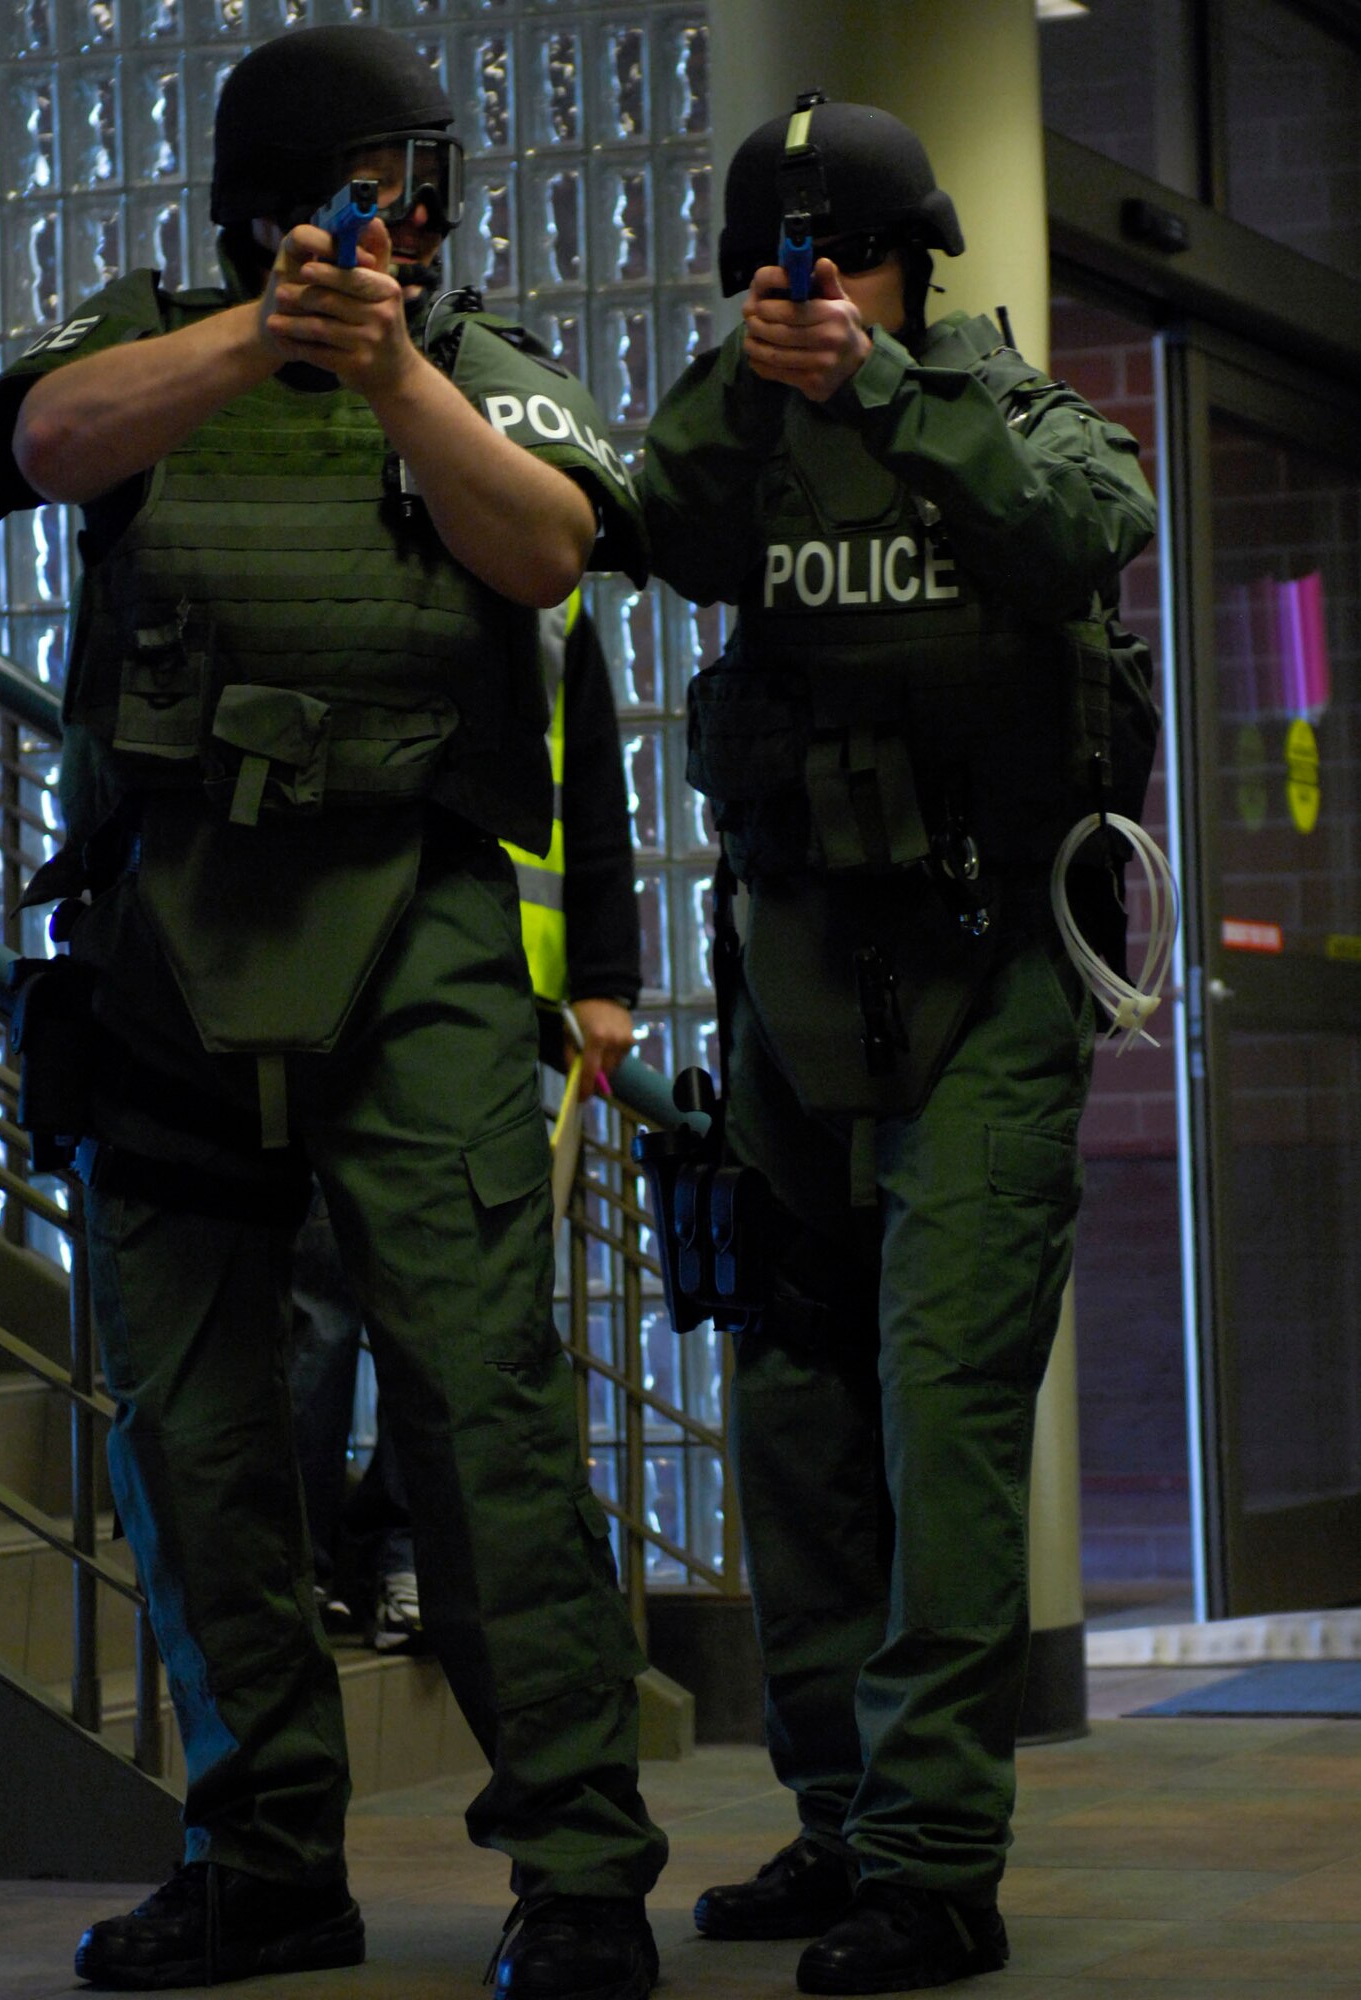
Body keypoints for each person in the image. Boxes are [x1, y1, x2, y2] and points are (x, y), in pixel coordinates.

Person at [0, 23, 665, 1997]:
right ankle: (265, 1851)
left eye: (426, 193)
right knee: (194, 1430)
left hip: (416, 946)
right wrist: (255, 343)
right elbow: (38, 446)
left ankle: (581, 1871)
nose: (412, 224)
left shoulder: (490, 374)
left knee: (482, 1416)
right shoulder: (145, 342)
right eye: (375, 187)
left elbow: (544, 548)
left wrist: (391, 372)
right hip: (163, 942)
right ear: (274, 201)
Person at [641, 94, 1157, 1994]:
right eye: (776, 273)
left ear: (907, 267)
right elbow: (625, 515)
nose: (809, 296)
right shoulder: (737, 435)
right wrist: (753, 383)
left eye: (838, 263)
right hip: (783, 981)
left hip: (985, 979)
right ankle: (838, 1819)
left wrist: (878, 395)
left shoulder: (1008, 415)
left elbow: (1088, 528)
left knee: (940, 1417)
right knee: (790, 1416)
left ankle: (935, 1862)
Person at [290, 590, 642, 1654]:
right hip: (307, 983)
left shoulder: (537, 575)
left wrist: (607, 976)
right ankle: (305, 1565)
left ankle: (405, 1555)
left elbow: (589, 785)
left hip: (487, 1006)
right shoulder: (309, 536)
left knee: (442, 1300)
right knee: (315, 1297)